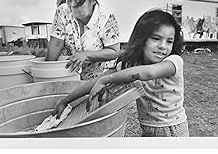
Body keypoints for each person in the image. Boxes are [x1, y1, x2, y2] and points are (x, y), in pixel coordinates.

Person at [52, 9, 189, 137]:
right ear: (142, 39)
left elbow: (147, 73)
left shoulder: (173, 62)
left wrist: (105, 81)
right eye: (156, 38)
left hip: (174, 130)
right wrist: (66, 100)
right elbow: (96, 80)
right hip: (147, 129)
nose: (163, 46)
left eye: (169, 41)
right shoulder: (131, 65)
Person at [46, 0, 120, 80]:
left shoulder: (106, 18)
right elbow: (56, 43)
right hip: (69, 76)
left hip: (99, 78)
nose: (72, 6)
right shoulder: (63, 11)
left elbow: (113, 51)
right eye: (69, 0)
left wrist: (86, 55)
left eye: (79, 2)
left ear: (93, 0)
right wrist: (47, 73)